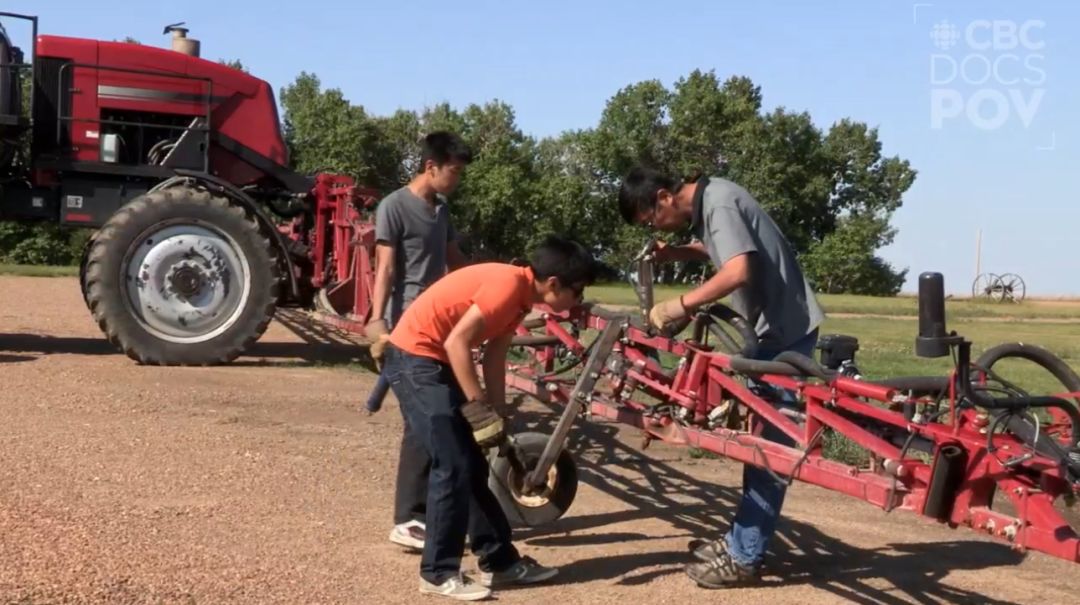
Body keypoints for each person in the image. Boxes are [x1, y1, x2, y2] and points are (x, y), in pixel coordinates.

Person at [617, 165, 825, 588]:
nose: (655, 225)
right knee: (757, 444)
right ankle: (740, 541)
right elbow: (721, 250)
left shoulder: (720, 202)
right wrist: (677, 253)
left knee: (768, 449)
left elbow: (737, 270)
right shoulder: (713, 201)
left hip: (784, 335)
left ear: (663, 197)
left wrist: (681, 305)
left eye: (651, 218)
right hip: (773, 330)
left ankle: (745, 555)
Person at [380, 234, 596, 600]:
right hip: (416, 360)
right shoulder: (507, 286)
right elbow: (456, 343)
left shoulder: (521, 296)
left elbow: (495, 355)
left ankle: (499, 561)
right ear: (554, 284)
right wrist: (479, 410)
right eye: (578, 291)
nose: (579, 299)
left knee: (471, 465)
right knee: (453, 463)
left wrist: (499, 413)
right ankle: (437, 573)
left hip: (433, 362)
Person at [363, 131, 471, 552]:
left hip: (440, 324)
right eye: (454, 172)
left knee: (441, 417)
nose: (456, 180)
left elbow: (456, 263)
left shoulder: (442, 210)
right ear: (432, 167)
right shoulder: (394, 206)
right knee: (422, 421)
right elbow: (385, 267)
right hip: (407, 325)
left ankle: (428, 515)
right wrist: (377, 319)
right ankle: (408, 518)